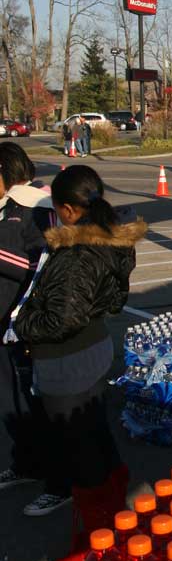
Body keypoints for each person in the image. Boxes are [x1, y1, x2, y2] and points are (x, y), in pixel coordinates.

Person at [3, 166, 145, 561]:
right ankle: (113, 510)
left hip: (67, 359)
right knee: (94, 431)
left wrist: (21, 324)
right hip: (94, 346)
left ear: (67, 210)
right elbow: (113, 299)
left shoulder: (75, 256)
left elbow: (60, 320)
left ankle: (95, 543)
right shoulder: (111, 238)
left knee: (78, 447)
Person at [0, 144, 54, 462]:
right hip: (4, 321)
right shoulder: (7, 206)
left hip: (22, 322)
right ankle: (24, 461)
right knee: (8, 400)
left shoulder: (35, 206)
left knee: (31, 397)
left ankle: (49, 473)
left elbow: (40, 263)